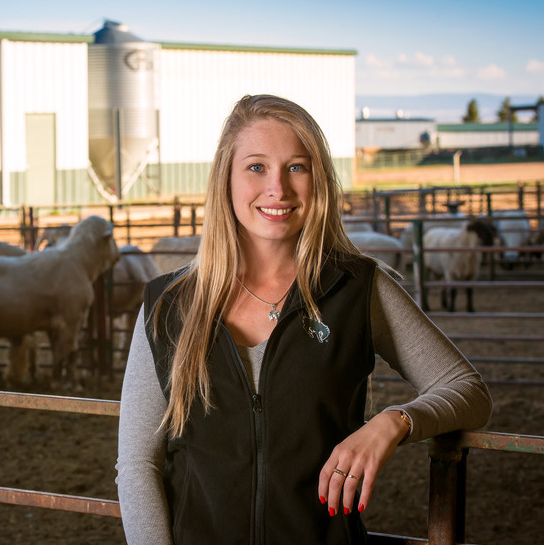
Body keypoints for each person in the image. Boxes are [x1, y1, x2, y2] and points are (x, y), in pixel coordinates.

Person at [115, 94, 492, 544]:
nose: (278, 188)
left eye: (297, 166)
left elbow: (469, 392)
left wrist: (393, 422)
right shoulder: (168, 305)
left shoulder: (359, 289)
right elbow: (138, 465)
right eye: (256, 167)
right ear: (226, 179)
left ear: (319, 180)